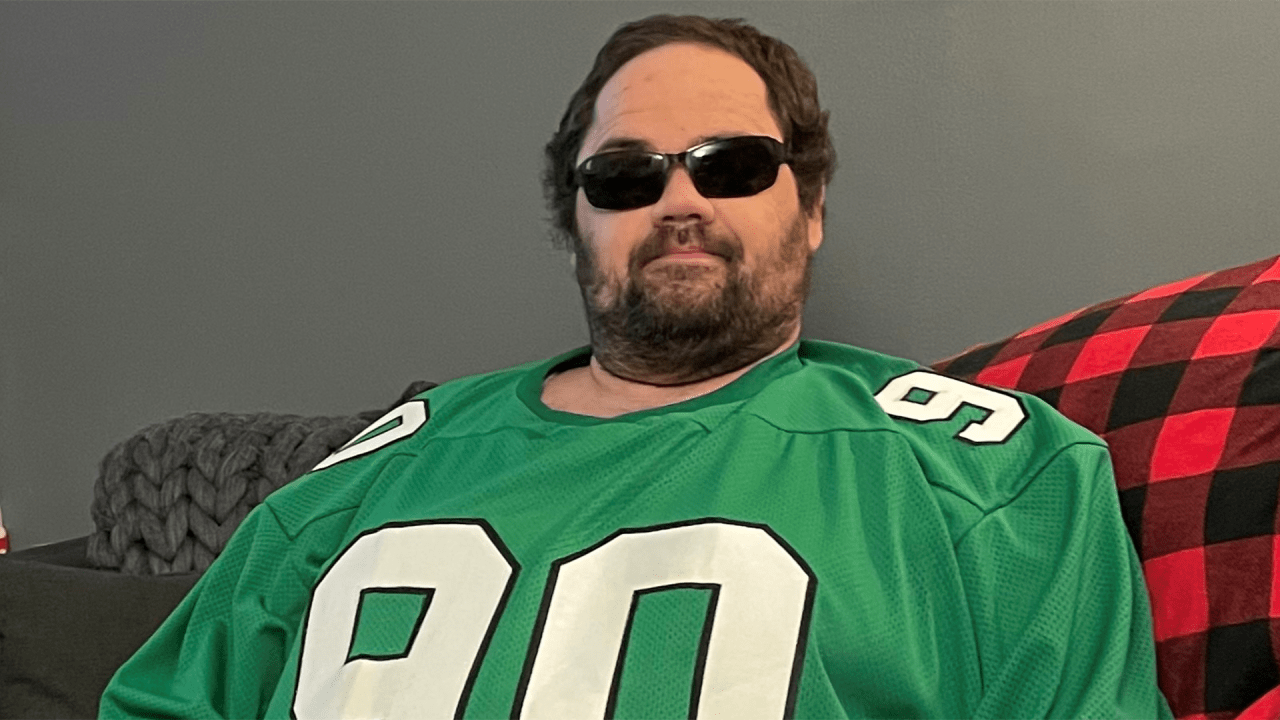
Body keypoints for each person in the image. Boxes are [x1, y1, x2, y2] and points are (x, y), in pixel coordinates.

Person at [100, 14, 1172, 719]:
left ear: (809, 209)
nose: (677, 201)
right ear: (573, 227)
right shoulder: (359, 479)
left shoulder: (996, 477)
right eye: (622, 176)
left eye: (731, 164)